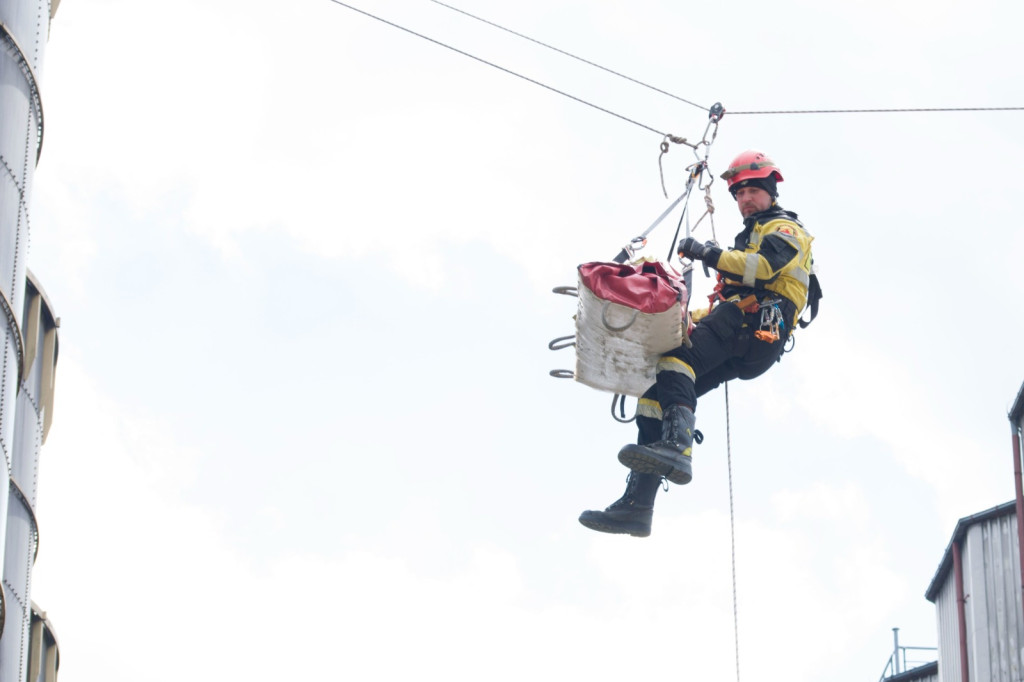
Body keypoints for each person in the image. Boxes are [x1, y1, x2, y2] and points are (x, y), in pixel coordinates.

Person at [579, 149, 819, 538]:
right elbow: (732, 292)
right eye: (738, 194)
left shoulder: (784, 229)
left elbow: (764, 269)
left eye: (752, 191)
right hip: (745, 330)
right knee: (655, 395)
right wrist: (683, 320)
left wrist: (707, 252)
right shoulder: (752, 234)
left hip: (755, 321)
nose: (744, 200)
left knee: (678, 361)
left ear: (771, 191)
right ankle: (638, 506)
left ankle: (677, 447)